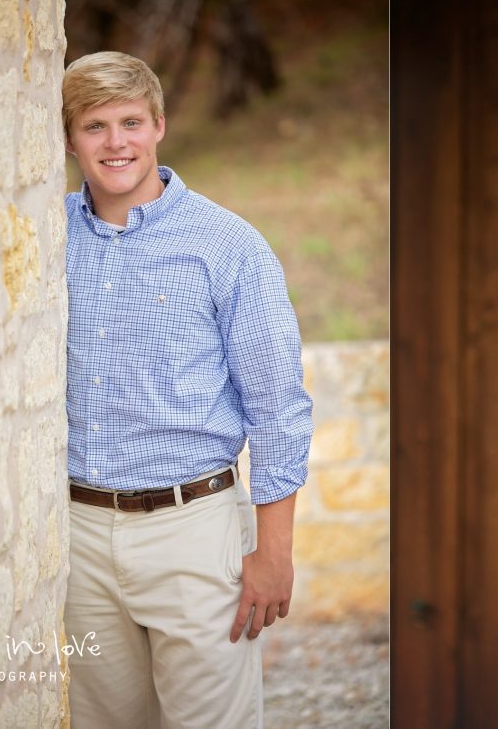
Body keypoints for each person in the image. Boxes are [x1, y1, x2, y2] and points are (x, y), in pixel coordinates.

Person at [61, 51, 313, 729]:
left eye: (131, 122)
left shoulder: (228, 245)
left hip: (193, 530)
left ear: (159, 125)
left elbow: (278, 408)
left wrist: (273, 555)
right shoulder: (46, 238)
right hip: (76, 531)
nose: (116, 143)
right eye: (95, 126)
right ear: (70, 138)